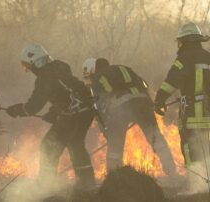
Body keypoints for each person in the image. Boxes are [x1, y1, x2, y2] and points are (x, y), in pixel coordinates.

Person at [6, 44, 96, 191]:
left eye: (28, 66)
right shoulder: (59, 67)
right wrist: (54, 111)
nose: (29, 70)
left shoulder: (45, 76)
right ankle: (86, 184)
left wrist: (18, 110)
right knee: (75, 145)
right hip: (85, 110)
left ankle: (46, 186)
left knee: (49, 147)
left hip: (74, 113)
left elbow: (34, 106)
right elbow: (66, 91)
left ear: (35, 61)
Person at [82, 57, 177, 176]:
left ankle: (113, 176)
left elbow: (99, 106)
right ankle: (171, 171)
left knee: (115, 144)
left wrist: (106, 129)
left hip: (120, 109)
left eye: (90, 77)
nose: (90, 80)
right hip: (144, 104)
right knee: (156, 138)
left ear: (93, 71)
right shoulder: (124, 68)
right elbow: (145, 85)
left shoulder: (99, 78)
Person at [155, 22, 210, 189]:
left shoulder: (185, 57)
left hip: (193, 114)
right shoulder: (208, 56)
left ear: (185, 41)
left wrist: (159, 100)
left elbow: (172, 81)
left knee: (189, 146)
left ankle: (197, 186)